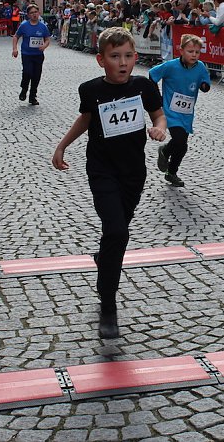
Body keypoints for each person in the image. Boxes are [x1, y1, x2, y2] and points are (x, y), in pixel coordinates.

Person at [52, 27, 167, 339]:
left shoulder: (144, 86)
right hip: (102, 170)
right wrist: (62, 146)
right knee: (116, 231)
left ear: (135, 57)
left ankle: (104, 259)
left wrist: (159, 128)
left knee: (115, 235)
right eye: (115, 56)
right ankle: (108, 303)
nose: (123, 62)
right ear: (101, 60)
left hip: (133, 173)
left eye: (128, 56)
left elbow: (158, 115)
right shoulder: (90, 90)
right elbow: (86, 119)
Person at [149, 34, 211, 187]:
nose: (194, 55)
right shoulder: (171, 66)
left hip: (186, 112)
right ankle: (168, 158)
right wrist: (157, 97)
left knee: (182, 145)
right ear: (181, 51)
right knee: (179, 139)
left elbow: (205, 82)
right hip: (170, 111)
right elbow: (152, 74)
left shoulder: (200, 67)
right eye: (190, 51)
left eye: (197, 52)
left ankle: (170, 170)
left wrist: (204, 86)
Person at [12, 4, 51, 105]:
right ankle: (24, 89)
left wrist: (44, 46)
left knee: (36, 75)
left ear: (39, 13)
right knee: (27, 72)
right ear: (28, 15)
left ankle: (32, 96)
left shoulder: (43, 26)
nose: (34, 14)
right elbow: (16, 36)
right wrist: (15, 49)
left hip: (38, 55)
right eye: (32, 13)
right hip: (27, 54)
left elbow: (47, 39)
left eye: (36, 12)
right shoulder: (24, 25)